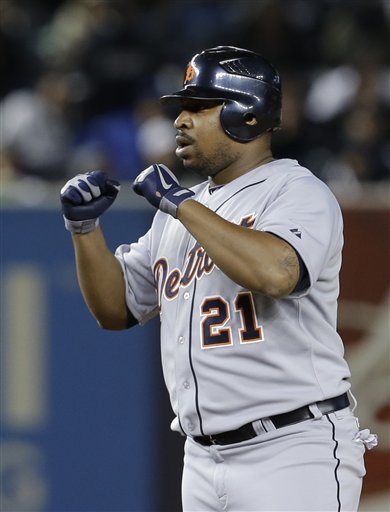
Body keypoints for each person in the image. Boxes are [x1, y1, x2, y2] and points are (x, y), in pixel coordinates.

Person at [60, 46, 377, 511]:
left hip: (292, 450)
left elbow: (278, 273)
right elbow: (116, 308)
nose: (180, 121)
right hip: (202, 457)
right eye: (182, 108)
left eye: (198, 107)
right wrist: (84, 231)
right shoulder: (180, 212)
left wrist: (181, 205)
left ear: (246, 113)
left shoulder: (296, 190)